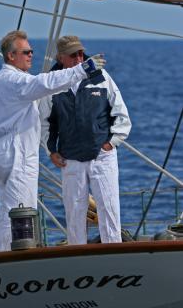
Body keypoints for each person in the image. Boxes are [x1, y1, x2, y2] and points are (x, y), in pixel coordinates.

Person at [0, 30, 106, 251]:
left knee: (8, 212)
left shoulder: (3, 80)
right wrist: (83, 69)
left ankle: (0, 253)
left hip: (4, 151)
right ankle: (10, 260)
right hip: (17, 153)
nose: (31, 55)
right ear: (11, 56)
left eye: (31, 51)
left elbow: (47, 85)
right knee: (20, 211)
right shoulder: (14, 80)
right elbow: (44, 83)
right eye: (26, 52)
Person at [39, 35, 131, 244]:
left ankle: (113, 253)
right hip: (70, 159)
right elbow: (45, 123)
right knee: (74, 213)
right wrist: (51, 151)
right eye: (73, 55)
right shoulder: (51, 84)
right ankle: (78, 257)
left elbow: (121, 113)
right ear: (61, 57)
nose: (79, 58)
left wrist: (111, 143)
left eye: (81, 53)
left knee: (109, 209)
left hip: (102, 156)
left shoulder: (100, 77)